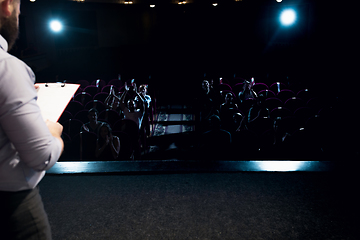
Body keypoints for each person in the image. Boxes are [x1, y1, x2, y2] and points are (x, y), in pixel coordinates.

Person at [0, 0, 64, 239]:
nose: (19, 11)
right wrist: (54, 134)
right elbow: (42, 156)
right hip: (11, 205)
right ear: (7, 5)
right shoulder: (7, 68)